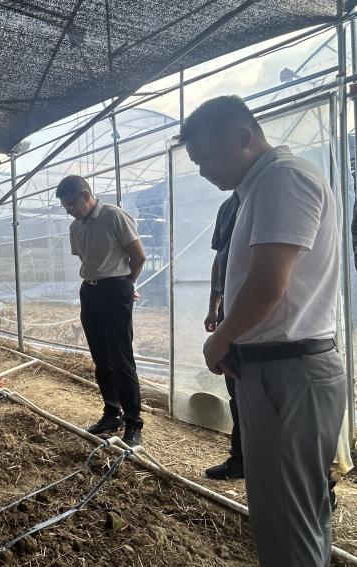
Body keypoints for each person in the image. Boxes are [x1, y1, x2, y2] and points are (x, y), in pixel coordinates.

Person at [182, 95, 345, 567]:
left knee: (287, 521)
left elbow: (268, 285)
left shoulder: (282, 178)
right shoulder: (257, 187)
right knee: (291, 513)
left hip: (287, 371)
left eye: (206, 157)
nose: (202, 171)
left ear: (243, 137)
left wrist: (219, 340)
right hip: (276, 367)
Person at [56, 175, 147, 446]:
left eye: (70, 204)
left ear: (85, 196)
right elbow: (88, 260)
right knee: (100, 357)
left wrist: (125, 284)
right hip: (90, 290)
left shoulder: (113, 216)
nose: (69, 211)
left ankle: (133, 422)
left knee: (121, 357)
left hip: (114, 290)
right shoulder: (76, 227)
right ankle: (111, 413)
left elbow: (138, 256)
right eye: (64, 207)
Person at [204, 192, 243, 480]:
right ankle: (240, 458)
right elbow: (220, 259)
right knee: (236, 389)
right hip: (230, 311)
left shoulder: (273, 191)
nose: (205, 172)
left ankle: (319, 483)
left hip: (270, 319)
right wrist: (214, 307)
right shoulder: (227, 207)